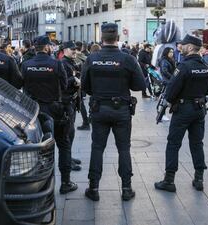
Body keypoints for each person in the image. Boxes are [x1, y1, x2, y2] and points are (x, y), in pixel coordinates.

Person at [81, 23, 146, 201]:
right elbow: (140, 85)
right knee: (124, 149)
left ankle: (93, 188)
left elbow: (85, 87)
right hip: (121, 110)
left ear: (102, 39)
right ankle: (126, 188)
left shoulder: (91, 59)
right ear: (117, 38)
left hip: (99, 109)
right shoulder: (128, 59)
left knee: (97, 148)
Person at [154, 34, 208, 193]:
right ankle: (199, 178)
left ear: (190, 47)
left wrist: (168, 102)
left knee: (173, 143)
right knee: (197, 143)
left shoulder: (183, 67)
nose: (180, 47)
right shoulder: (206, 66)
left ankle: (169, 180)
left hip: (183, 110)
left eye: (183, 45)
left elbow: (172, 90)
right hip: (199, 109)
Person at [21, 35, 78, 194]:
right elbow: (64, 84)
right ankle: (65, 182)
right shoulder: (57, 64)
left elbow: (21, 85)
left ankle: (43, 185)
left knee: (40, 149)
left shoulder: (26, 65)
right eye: (50, 46)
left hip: (36, 112)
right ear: (46, 47)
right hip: (56, 110)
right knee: (64, 144)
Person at [61, 41, 83, 172]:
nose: (75, 51)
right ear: (64, 50)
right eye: (72, 49)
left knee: (71, 132)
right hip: (66, 102)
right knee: (68, 133)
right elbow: (63, 83)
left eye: (75, 49)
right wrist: (74, 80)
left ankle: (69, 157)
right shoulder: (63, 63)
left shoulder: (71, 62)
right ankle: (67, 161)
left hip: (72, 101)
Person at [77, 43, 102, 131]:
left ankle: (87, 121)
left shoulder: (89, 60)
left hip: (92, 89)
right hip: (101, 91)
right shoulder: (102, 60)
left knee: (85, 104)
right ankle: (90, 118)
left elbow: (84, 77)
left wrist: (87, 90)